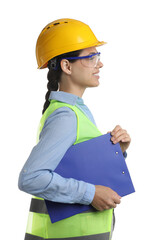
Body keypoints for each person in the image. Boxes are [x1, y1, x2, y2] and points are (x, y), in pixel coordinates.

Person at [18, 18, 131, 240]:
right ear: (66, 66)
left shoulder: (75, 110)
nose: (100, 64)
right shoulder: (66, 116)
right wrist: (91, 194)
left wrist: (119, 151)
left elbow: (75, 167)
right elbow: (31, 178)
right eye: (92, 57)